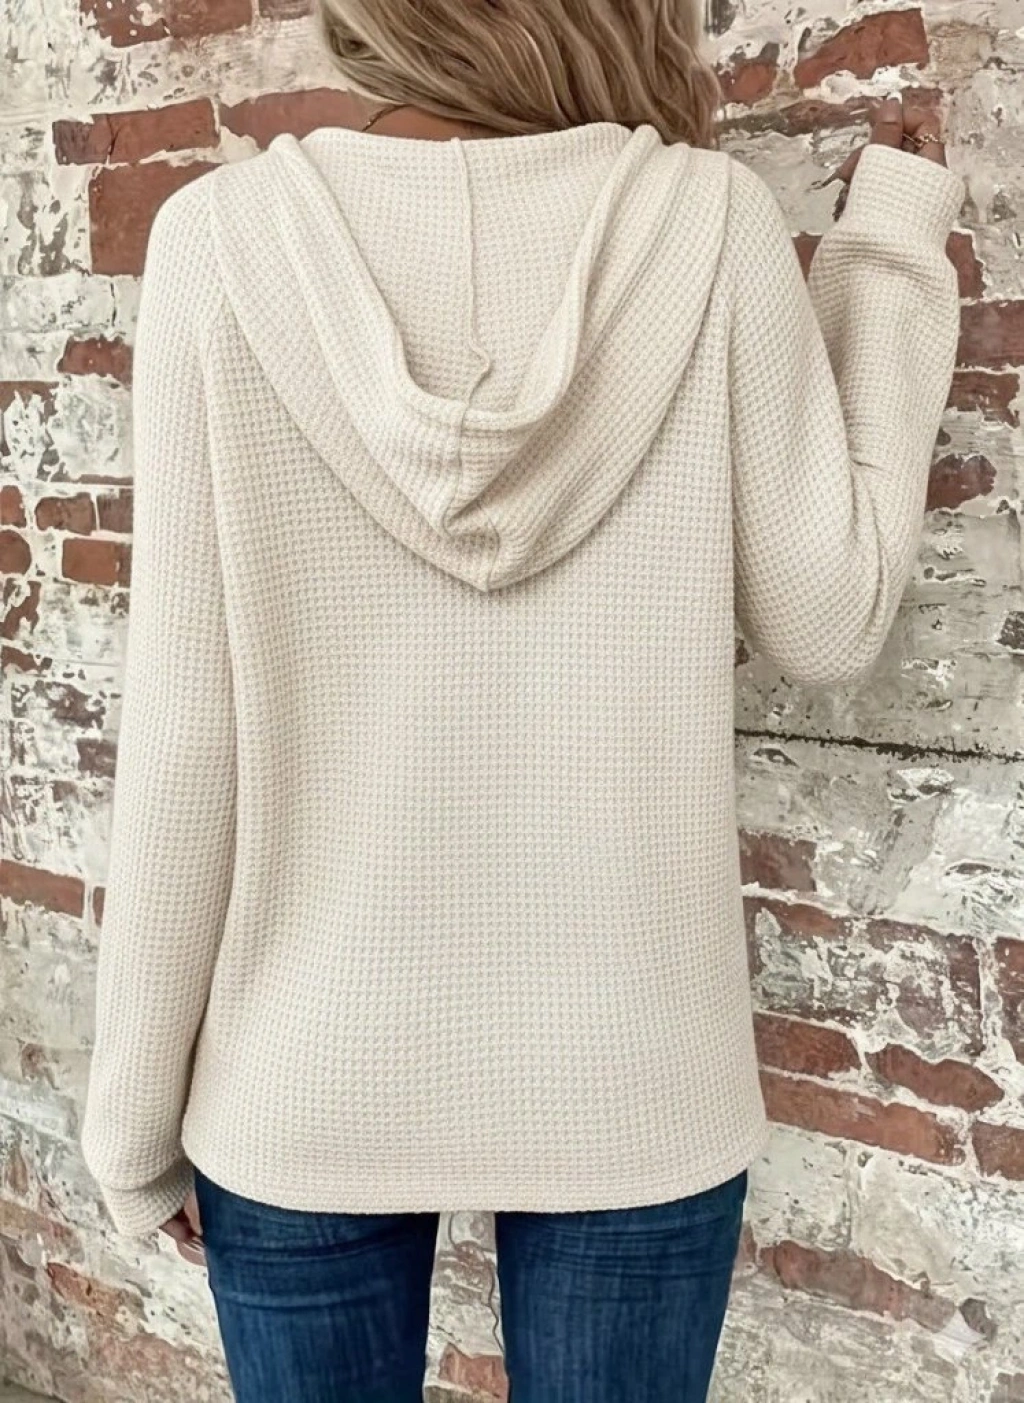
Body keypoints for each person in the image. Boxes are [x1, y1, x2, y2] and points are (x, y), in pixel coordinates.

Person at [80, 0, 965, 1398]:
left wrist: (133, 1126)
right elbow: (829, 616)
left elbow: (187, 736)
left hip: (302, 1072)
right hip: (635, 1074)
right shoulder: (710, 223)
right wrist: (889, 246)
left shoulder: (220, 243)